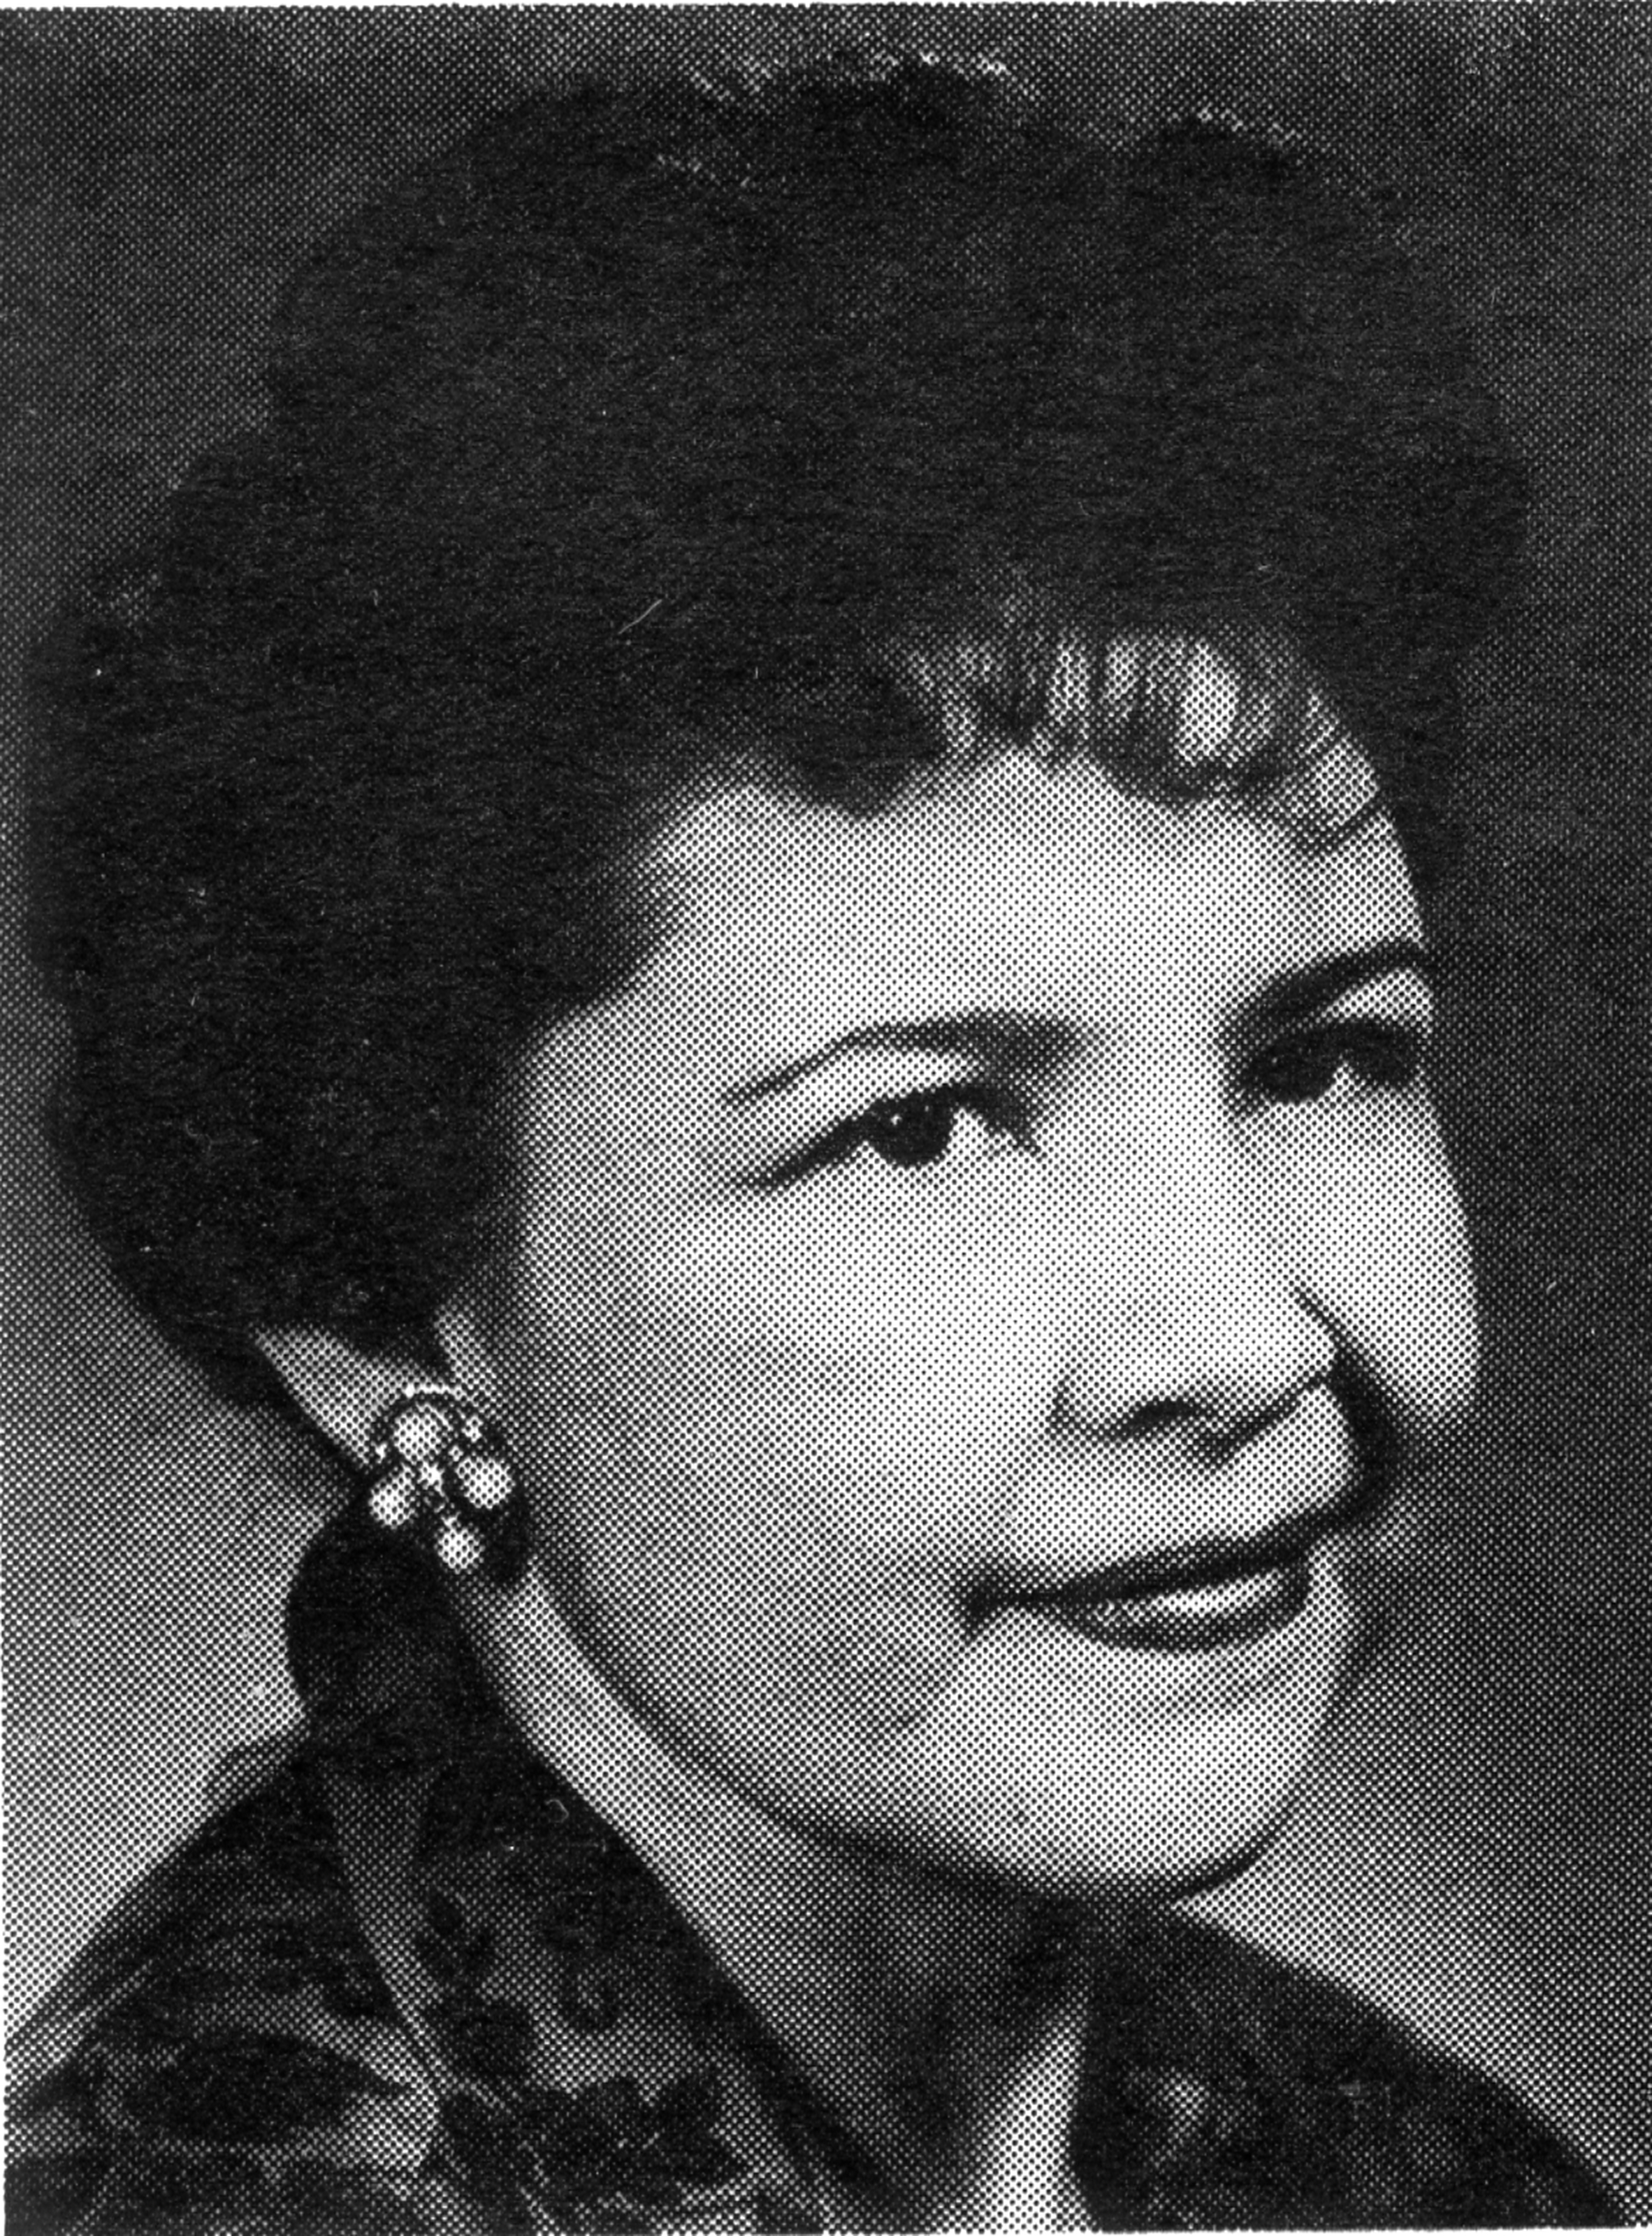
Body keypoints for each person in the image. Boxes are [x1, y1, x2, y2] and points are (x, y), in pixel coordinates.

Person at [7, 50, 1618, 2234]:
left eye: (1315, 1061)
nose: (1239, 1338)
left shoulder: (1423, 2181)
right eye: (924, 1126)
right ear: (382, 1332)